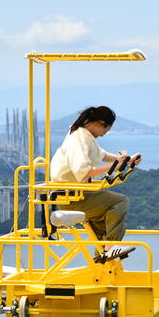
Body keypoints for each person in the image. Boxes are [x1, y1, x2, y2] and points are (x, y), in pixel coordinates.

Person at [50, 106, 141, 261]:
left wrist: (124, 161)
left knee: (105, 218)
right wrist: (117, 166)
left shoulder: (82, 135)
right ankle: (109, 249)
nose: (104, 134)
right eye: (105, 130)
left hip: (73, 194)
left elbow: (101, 155)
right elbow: (83, 171)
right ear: (101, 123)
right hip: (72, 197)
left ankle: (102, 256)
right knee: (120, 202)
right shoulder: (79, 139)